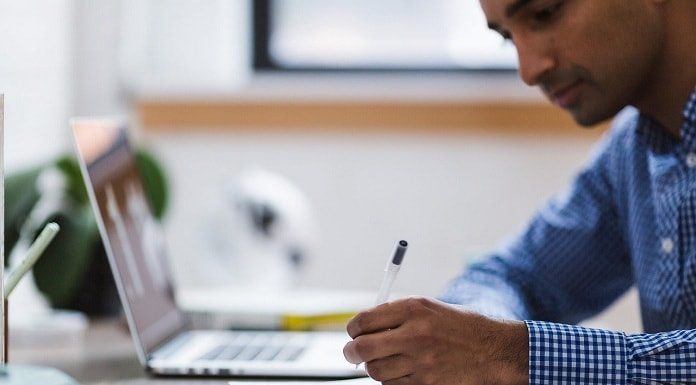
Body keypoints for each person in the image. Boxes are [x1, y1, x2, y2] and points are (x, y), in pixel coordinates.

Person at [342, 1, 696, 384]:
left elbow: (508, 347)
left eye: (545, 14)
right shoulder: (633, 148)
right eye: (508, 38)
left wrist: (513, 354)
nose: (528, 71)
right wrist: (474, 338)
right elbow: (512, 276)